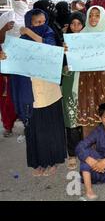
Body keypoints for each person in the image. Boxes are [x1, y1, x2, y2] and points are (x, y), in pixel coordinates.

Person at [6, 9, 67, 177]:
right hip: (31, 92)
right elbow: (11, 64)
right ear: (28, 22)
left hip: (50, 91)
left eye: (42, 21)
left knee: (51, 128)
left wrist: (30, 32)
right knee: (35, 130)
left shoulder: (50, 35)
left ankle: (53, 160)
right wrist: (5, 56)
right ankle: (38, 162)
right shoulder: (20, 41)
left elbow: (48, 47)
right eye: (36, 22)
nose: (41, 25)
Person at [73, 6, 105, 138]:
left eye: (97, 15)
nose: (93, 18)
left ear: (102, 18)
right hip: (87, 80)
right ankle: (92, 151)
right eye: (90, 15)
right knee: (89, 111)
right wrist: (69, 50)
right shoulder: (81, 36)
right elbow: (77, 59)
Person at [0, 0, 29, 137]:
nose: (19, 1)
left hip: (28, 62)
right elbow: (0, 39)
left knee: (26, 94)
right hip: (10, 61)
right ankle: (8, 125)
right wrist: (5, 29)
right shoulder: (6, 16)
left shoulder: (32, 16)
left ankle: (27, 122)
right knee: (9, 95)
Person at [61, 11, 85, 170]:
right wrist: (62, 54)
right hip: (70, 85)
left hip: (86, 84)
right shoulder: (62, 42)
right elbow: (57, 67)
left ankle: (85, 151)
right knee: (71, 120)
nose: (75, 27)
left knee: (86, 119)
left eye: (79, 24)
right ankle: (72, 154)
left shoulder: (90, 41)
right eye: (72, 24)